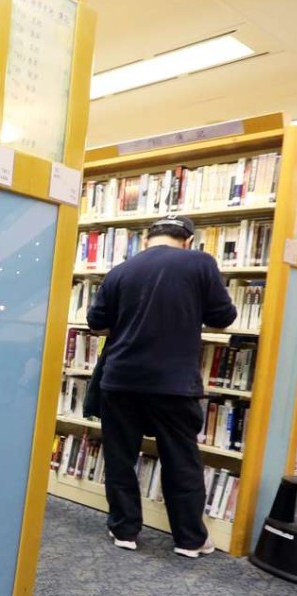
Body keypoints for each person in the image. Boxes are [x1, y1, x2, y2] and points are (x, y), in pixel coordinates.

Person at [87, 214, 237, 558]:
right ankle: (189, 539)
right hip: (174, 382)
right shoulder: (200, 263)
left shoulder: (121, 270)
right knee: (181, 458)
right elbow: (223, 317)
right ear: (187, 240)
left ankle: (124, 530)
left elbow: (97, 323)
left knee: (120, 457)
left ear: (146, 240)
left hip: (120, 379)